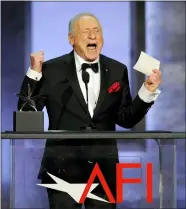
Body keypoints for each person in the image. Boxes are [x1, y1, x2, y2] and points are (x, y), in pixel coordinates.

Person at [18, 12, 162, 209]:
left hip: (104, 171)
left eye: (97, 31)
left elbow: (125, 119)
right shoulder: (52, 70)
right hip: (63, 171)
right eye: (86, 32)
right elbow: (26, 112)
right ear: (72, 39)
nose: (93, 36)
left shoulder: (117, 70)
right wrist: (34, 73)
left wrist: (147, 92)